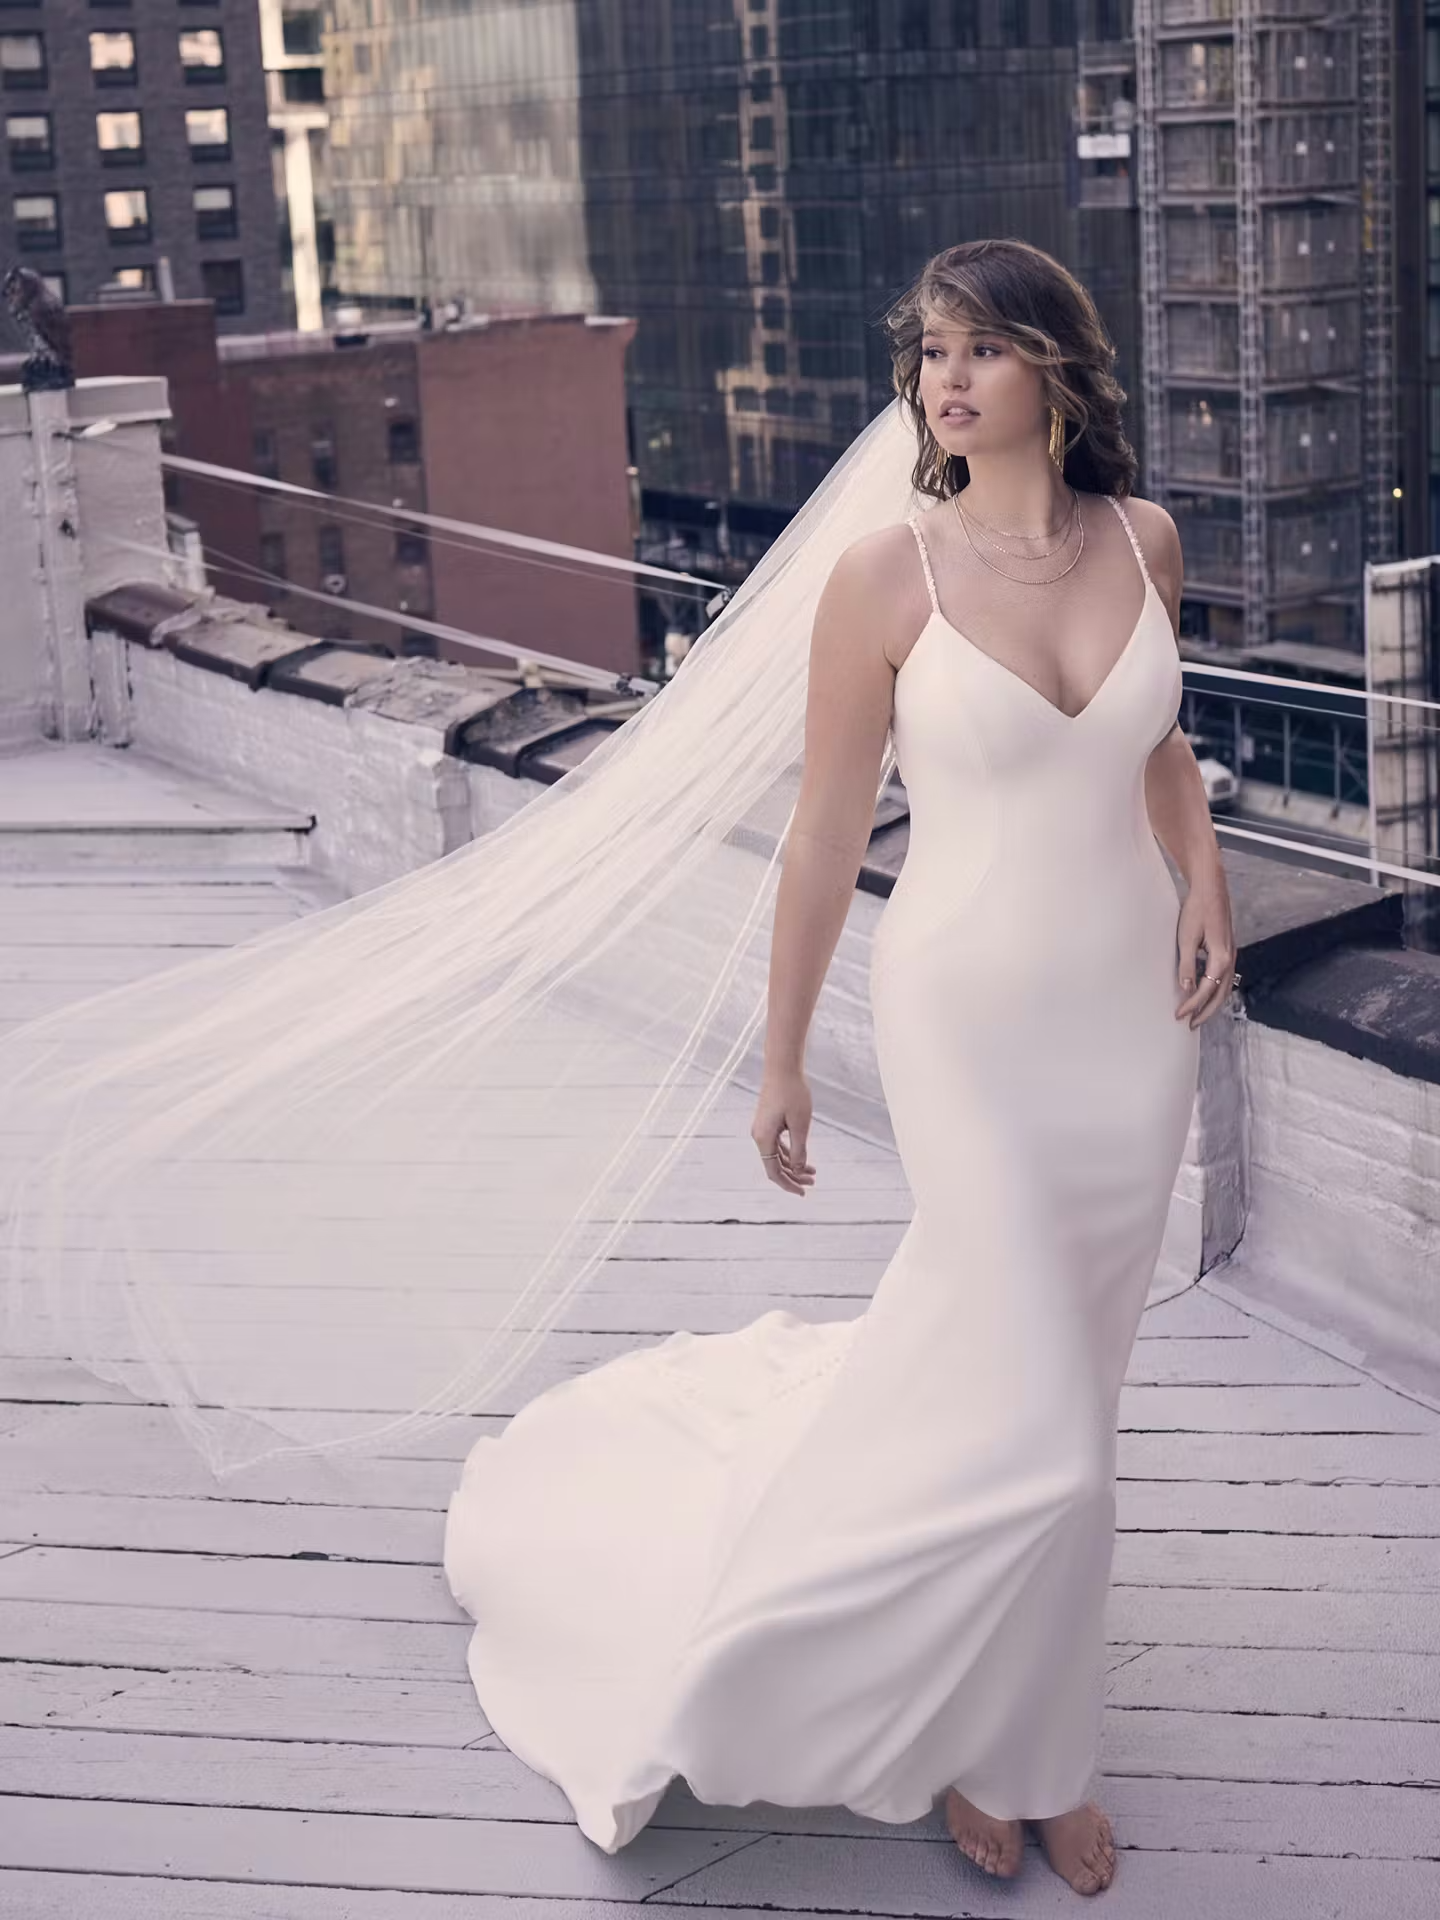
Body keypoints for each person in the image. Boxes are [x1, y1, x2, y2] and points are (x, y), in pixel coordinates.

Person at [441, 239, 1238, 1896]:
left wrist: (1209, 894)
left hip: (1123, 1033)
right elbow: (819, 836)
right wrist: (782, 1054)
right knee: (1058, 1438)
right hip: (966, 1022)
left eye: (983, 348)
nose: (947, 377)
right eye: (931, 351)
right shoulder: (887, 577)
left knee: (1066, 1396)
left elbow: (1162, 752)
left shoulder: (1145, 541)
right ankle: (1023, 1758)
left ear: (1056, 371)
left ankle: (1001, 1700)